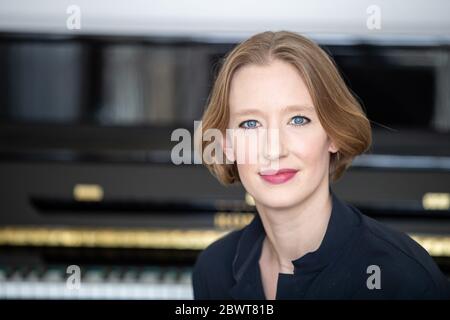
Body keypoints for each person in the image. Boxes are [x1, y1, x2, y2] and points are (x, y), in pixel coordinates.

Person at [192, 30, 450, 299]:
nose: (274, 150)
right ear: (227, 145)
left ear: (334, 134)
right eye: (251, 124)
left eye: (298, 120)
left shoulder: (404, 279)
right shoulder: (214, 270)